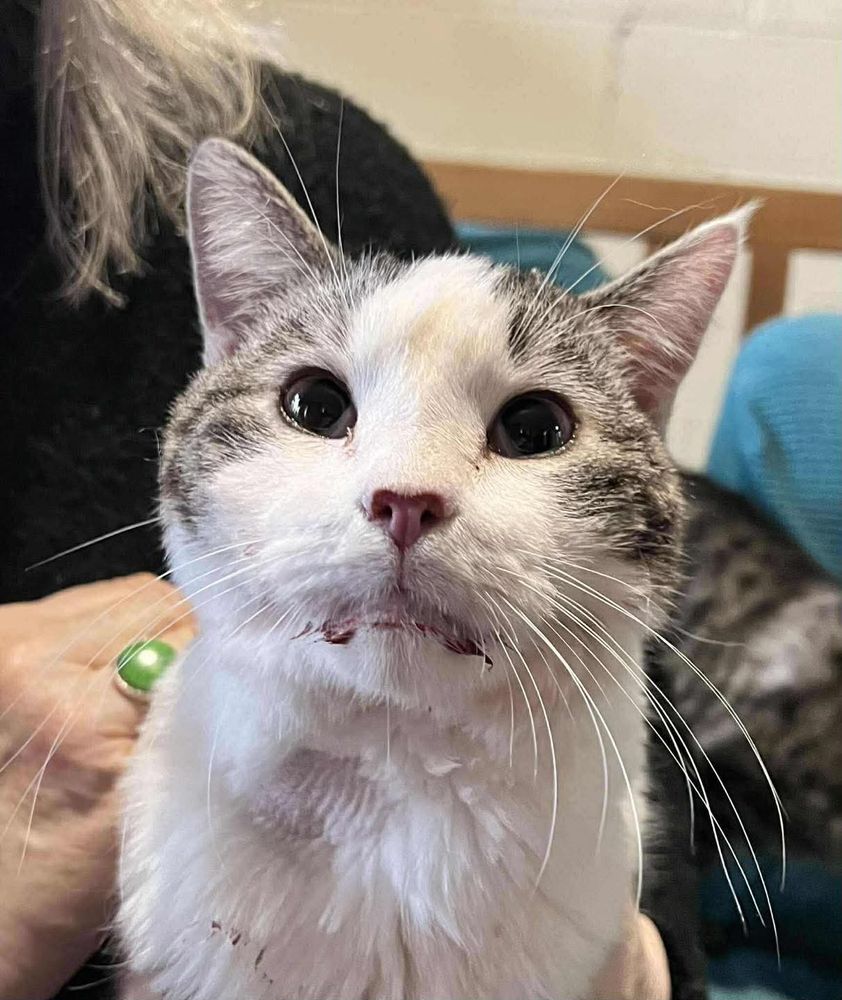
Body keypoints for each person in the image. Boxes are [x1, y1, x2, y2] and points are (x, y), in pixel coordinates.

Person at [0, 2, 673, 996]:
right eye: (318, 406)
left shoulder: (316, 154)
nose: (404, 491)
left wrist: (635, 965)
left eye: (529, 432)